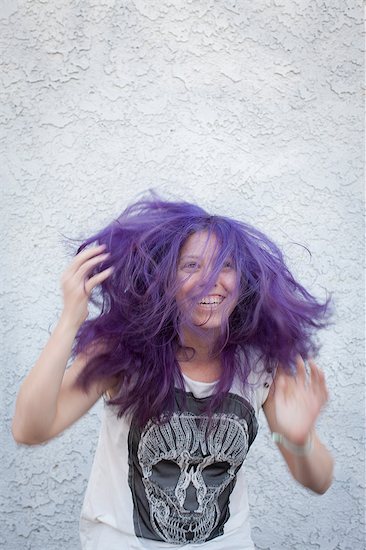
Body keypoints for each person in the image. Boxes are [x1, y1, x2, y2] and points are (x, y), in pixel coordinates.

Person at [12, 196, 334, 550]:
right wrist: (70, 319)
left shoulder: (259, 364)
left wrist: (297, 440)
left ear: (243, 280)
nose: (210, 280)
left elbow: (318, 481)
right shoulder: (122, 353)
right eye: (191, 266)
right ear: (163, 280)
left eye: (225, 265)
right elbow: (30, 429)